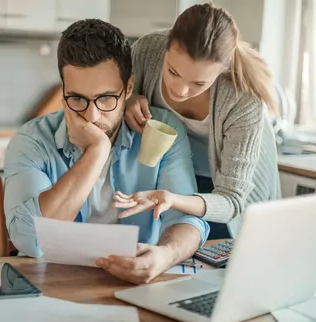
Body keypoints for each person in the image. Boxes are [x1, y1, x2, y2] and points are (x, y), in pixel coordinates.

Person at [3, 19, 209, 284]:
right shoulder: (32, 140)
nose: (92, 115)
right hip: (52, 282)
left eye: (106, 98)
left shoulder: (162, 131)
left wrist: (165, 255)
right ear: (64, 89)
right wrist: (97, 151)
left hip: (135, 282)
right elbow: (30, 240)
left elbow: (186, 220)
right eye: (77, 98)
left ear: (129, 88)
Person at [116, 3, 281, 240]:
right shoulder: (147, 51)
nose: (180, 90)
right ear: (165, 49)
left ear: (222, 71)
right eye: (173, 72)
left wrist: (174, 199)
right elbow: (112, 94)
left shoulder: (242, 99)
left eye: (199, 83)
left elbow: (231, 200)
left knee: (218, 256)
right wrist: (127, 99)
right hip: (177, 171)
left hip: (226, 188)